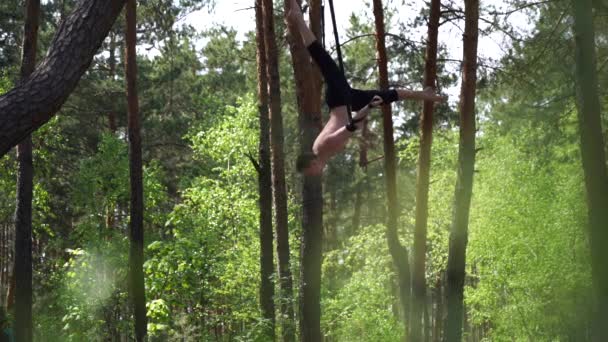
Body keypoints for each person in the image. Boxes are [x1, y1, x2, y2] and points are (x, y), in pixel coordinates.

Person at [287, 0, 446, 176]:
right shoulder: (319, 150)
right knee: (389, 95)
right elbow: (351, 124)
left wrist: (369, 107)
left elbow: (351, 125)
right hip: (346, 102)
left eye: (310, 173)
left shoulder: (325, 147)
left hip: (341, 98)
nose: (313, 175)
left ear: (312, 164)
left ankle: (299, 21)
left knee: (321, 57)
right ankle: (426, 94)